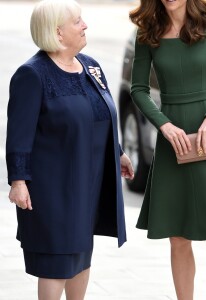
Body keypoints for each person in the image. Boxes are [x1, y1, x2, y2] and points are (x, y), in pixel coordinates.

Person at [6, 0, 134, 299]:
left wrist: (117, 154)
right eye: (77, 21)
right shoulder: (32, 75)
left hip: (86, 182)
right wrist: (18, 181)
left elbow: (98, 116)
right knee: (57, 260)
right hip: (52, 187)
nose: (85, 25)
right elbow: (18, 135)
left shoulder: (91, 66)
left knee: (81, 252)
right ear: (58, 33)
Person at [129, 0, 206, 299]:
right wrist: (164, 126)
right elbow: (138, 89)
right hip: (173, 139)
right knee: (178, 237)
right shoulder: (148, 30)